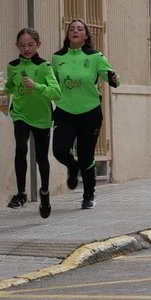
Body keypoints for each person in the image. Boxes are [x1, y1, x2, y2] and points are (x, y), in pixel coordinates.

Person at [51, 17, 118, 211]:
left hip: (90, 113)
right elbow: (51, 82)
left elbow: (111, 77)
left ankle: (89, 194)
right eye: (72, 28)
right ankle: (73, 167)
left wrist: (113, 78)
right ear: (68, 34)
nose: (75, 31)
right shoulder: (57, 58)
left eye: (80, 29)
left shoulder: (95, 56)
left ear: (86, 35)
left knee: (86, 156)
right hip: (64, 112)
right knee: (59, 150)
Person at [3, 27, 59, 218]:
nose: (26, 49)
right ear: (17, 46)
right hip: (20, 114)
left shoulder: (44, 67)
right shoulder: (13, 66)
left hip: (42, 117)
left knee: (41, 158)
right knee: (20, 148)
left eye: (30, 45)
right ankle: (21, 194)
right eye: (22, 45)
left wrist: (37, 86)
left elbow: (56, 92)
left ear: (38, 45)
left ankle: (45, 192)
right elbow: (10, 87)